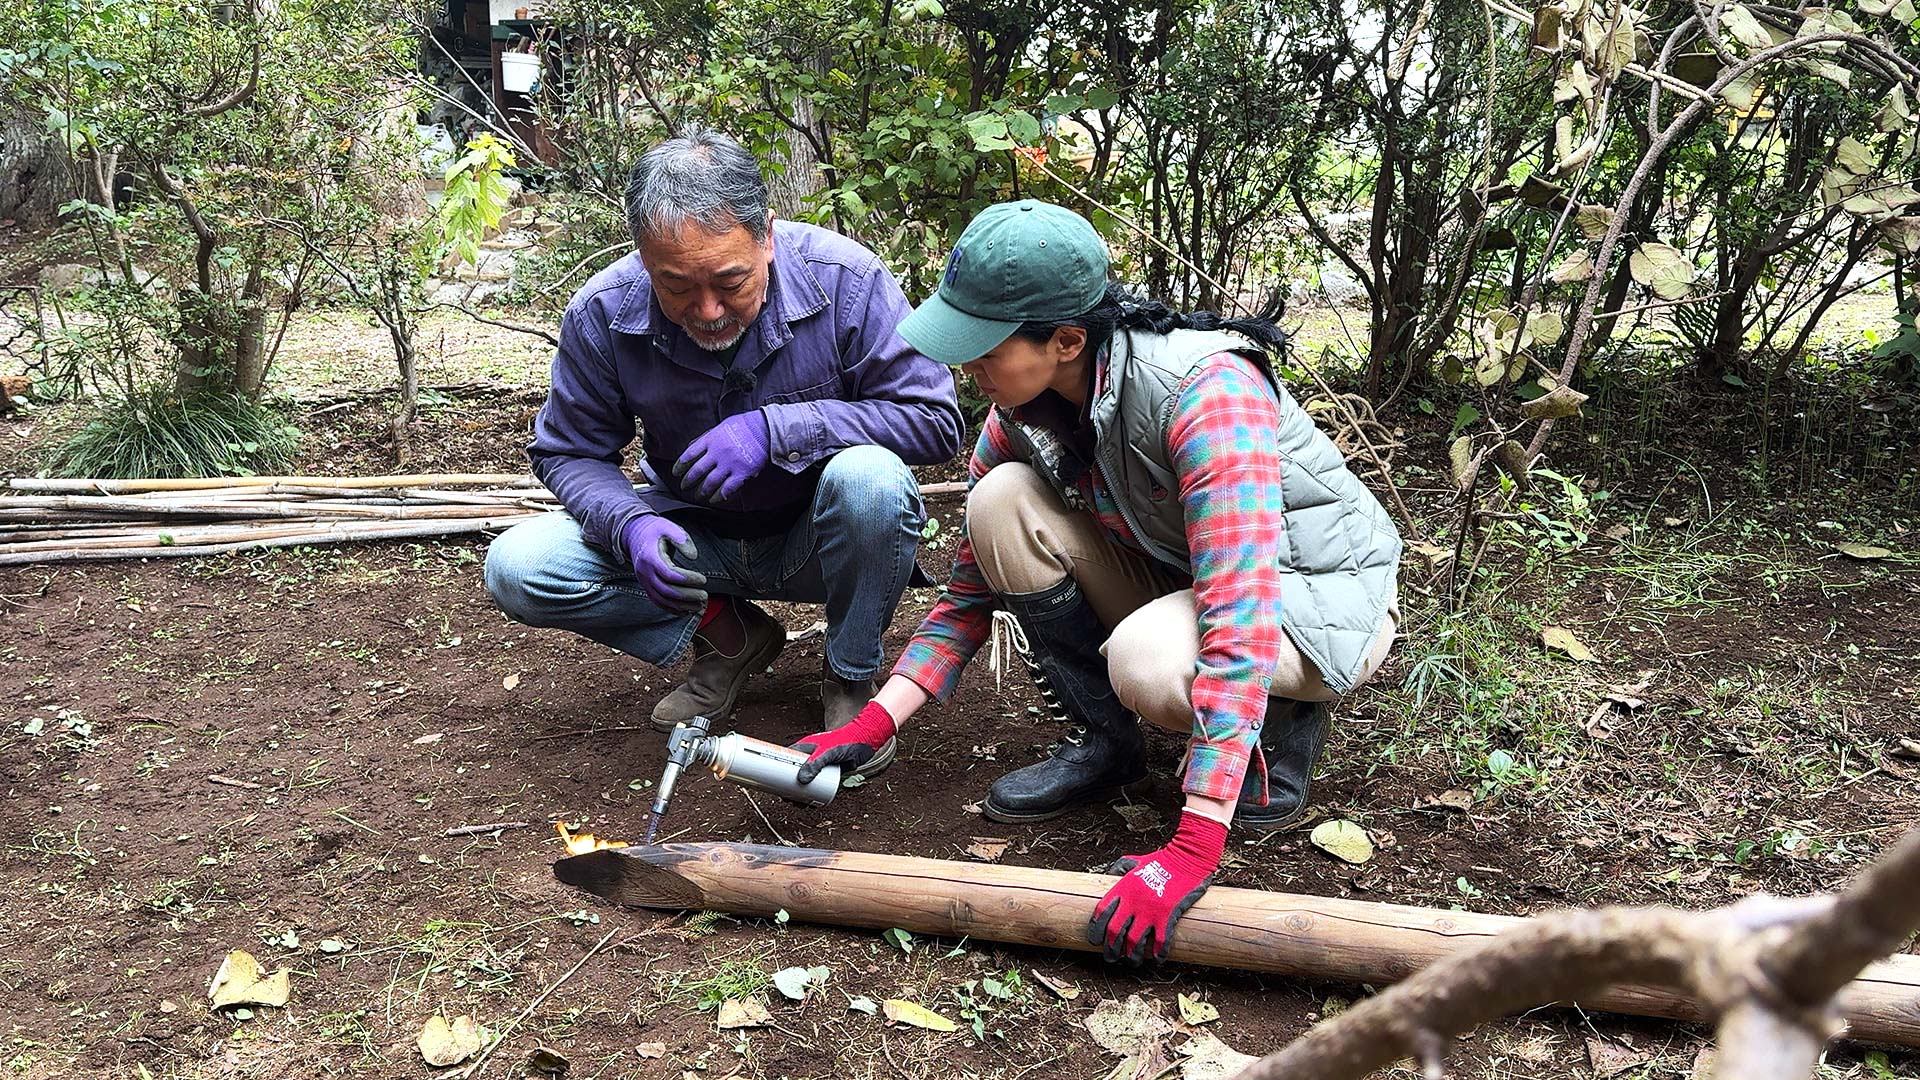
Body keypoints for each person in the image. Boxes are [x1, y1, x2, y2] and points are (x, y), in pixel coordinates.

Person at [789, 200, 1401, 963]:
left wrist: (1193, 843)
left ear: (1067, 339)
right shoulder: (1021, 411)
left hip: (1314, 597)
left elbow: (1241, 611)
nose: (964, 366)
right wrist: (873, 722)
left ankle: (1277, 739)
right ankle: (1109, 747)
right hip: (1183, 575)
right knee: (998, 500)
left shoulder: (1206, 392)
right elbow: (968, 596)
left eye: (983, 347)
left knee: (1147, 660)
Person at [484, 125, 964, 750]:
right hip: (695, 538)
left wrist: (778, 428)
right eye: (676, 286)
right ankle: (730, 635)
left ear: (766, 236)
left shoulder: (847, 280)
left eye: (730, 283)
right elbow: (570, 450)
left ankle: (850, 675)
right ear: (642, 254)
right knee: (519, 566)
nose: (707, 309)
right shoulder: (603, 309)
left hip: (821, 540)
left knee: (870, 480)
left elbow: (934, 419)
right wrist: (628, 524)